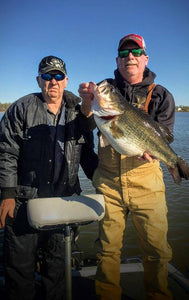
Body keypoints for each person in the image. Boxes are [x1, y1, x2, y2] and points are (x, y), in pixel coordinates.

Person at [78, 34, 175, 300]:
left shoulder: (162, 95)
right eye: (123, 54)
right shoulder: (105, 89)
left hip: (147, 182)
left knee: (157, 250)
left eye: (135, 52)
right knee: (107, 250)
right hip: (108, 181)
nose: (129, 57)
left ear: (145, 58)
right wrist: (87, 102)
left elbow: (164, 135)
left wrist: (160, 156)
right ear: (117, 61)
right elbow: (85, 124)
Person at [0, 55, 98, 300]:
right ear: (38, 80)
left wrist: (103, 182)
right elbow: (6, 152)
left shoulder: (79, 115)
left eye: (57, 76)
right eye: (46, 76)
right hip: (24, 201)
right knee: (19, 269)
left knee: (57, 268)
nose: (52, 82)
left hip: (63, 202)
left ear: (66, 81)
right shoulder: (21, 108)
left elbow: (88, 155)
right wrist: (7, 194)